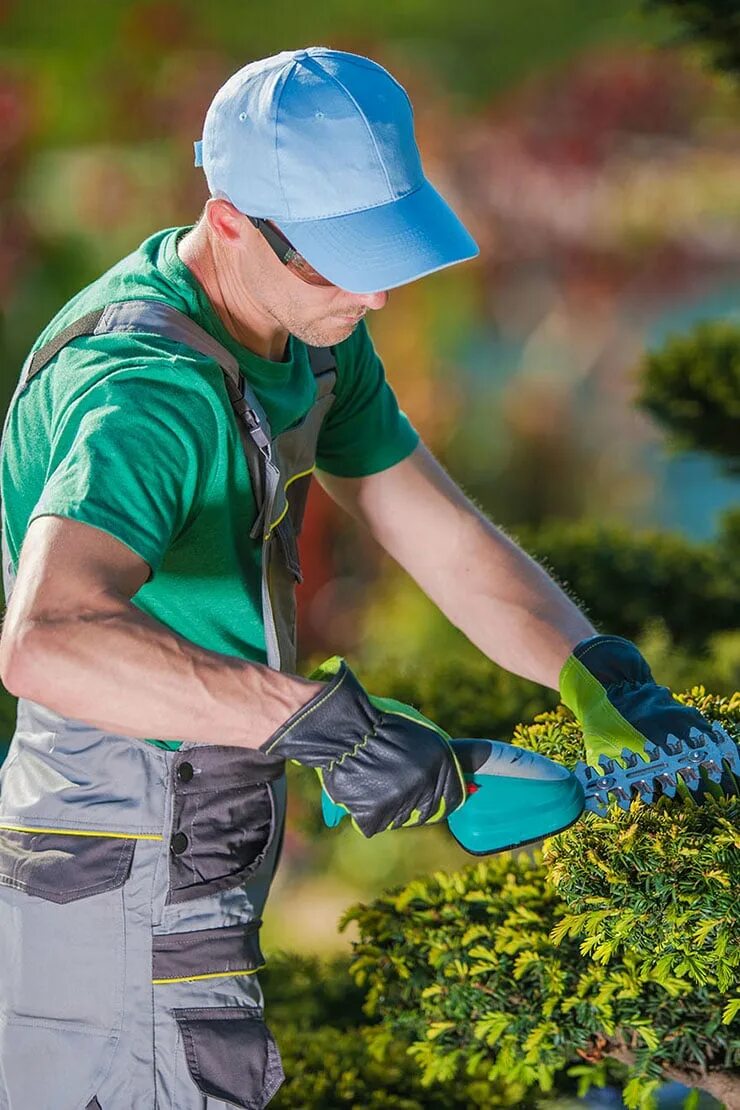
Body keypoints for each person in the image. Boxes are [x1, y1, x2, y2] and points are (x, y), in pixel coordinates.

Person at [0, 46, 722, 1110]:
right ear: (231, 220)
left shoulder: (308, 335)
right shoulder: (145, 396)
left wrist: (598, 675)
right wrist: (330, 727)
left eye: (382, 247)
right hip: (114, 846)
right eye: (337, 259)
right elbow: (47, 640)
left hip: (209, 805)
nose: (375, 289)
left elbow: (435, 533)